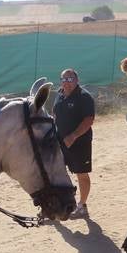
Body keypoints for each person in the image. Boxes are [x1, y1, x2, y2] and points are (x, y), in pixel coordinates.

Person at [52, 68, 95, 219]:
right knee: (56, 172)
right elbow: (55, 114)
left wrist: (73, 136)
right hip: (60, 141)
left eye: (70, 79)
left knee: (81, 174)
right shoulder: (59, 94)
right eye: (64, 79)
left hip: (80, 143)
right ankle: (54, 207)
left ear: (77, 81)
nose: (66, 82)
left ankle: (82, 206)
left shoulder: (84, 97)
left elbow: (89, 120)